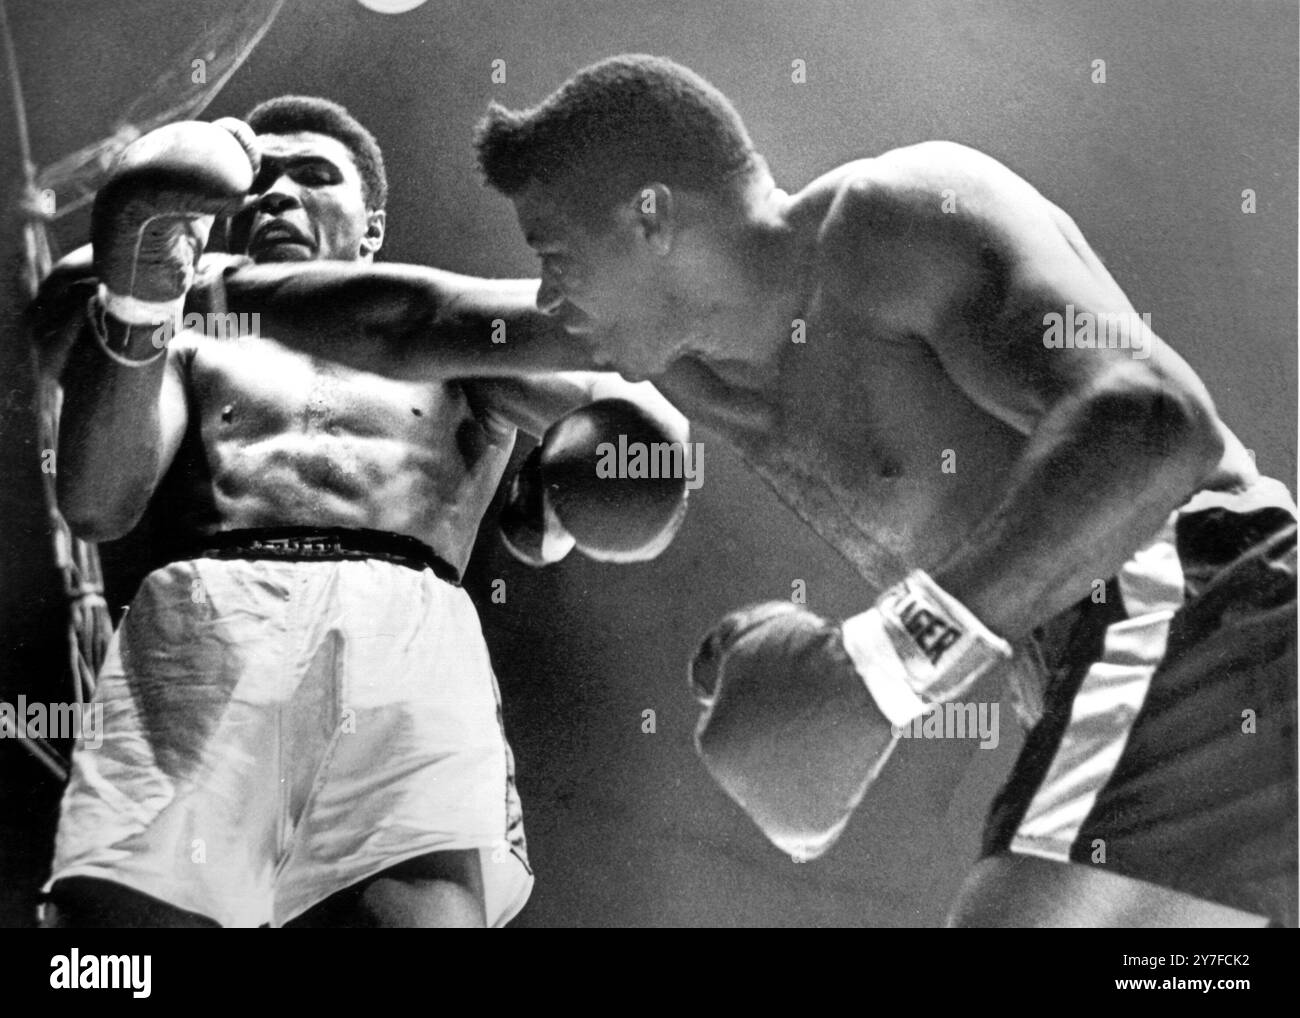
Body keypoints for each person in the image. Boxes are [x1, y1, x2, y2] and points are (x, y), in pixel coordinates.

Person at [257, 54, 1293, 927]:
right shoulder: (673, 352)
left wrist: (881, 663)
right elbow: (411, 324)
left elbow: (1152, 425)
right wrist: (189, 291)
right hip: (1157, 682)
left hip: (1200, 602)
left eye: (556, 253)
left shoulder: (897, 222)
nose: (549, 294)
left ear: (651, 217)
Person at [33, 94, 688, 928]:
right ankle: (136, 307)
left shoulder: (455, 339)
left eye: (311, 176)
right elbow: (98, 503)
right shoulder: (194, 334)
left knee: (409, 917)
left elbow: (630, 403)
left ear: (371, 225)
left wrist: (564, 495)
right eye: (259, 180)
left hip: (402, 624)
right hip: (208, 616)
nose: (274, 195)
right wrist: (141, 299)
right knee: (119, 939)